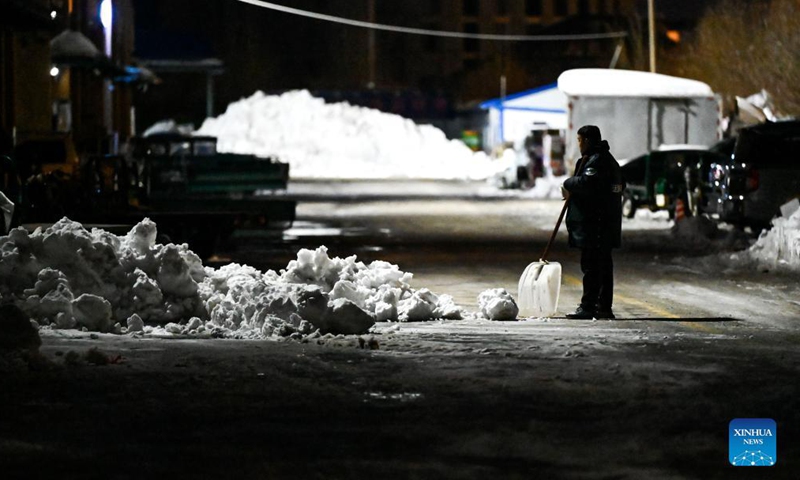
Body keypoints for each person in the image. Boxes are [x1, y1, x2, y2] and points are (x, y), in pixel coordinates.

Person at [561, 125, 625, 319]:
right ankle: (602, 306)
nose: (578, 144)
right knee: (602, 267)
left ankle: (589, 306)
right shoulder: (604, 160)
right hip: (601, 225)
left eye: (579, 140)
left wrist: (568, 182)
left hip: (596, 225)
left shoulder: (598, 162)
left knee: (593, 267)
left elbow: (587, 184)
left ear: (587, 141)